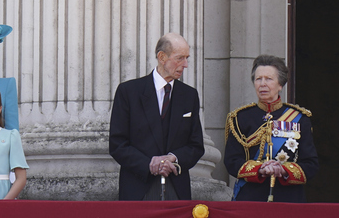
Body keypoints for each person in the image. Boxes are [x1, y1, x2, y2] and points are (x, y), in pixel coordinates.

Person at [108, 33, 205, 200]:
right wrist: (149, 164)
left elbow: (196, 146)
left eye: (187, 58)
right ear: (162, 57)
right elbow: (117, 144)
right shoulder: (129, 92)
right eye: (180, 58)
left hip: (177, 190)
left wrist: (173, 159)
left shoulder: (190, 96)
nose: (186, 64)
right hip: (138, 189)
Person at [224, 55, 319, 202]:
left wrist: (283, 170)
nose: (262, 84)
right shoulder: (240, 118)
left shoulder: (300, 119)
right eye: (258, 79)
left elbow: (311, 165)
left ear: (280, 84)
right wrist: (259, 169)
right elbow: (232, 161)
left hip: (289, 199)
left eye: (269, 79)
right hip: (250, 198)